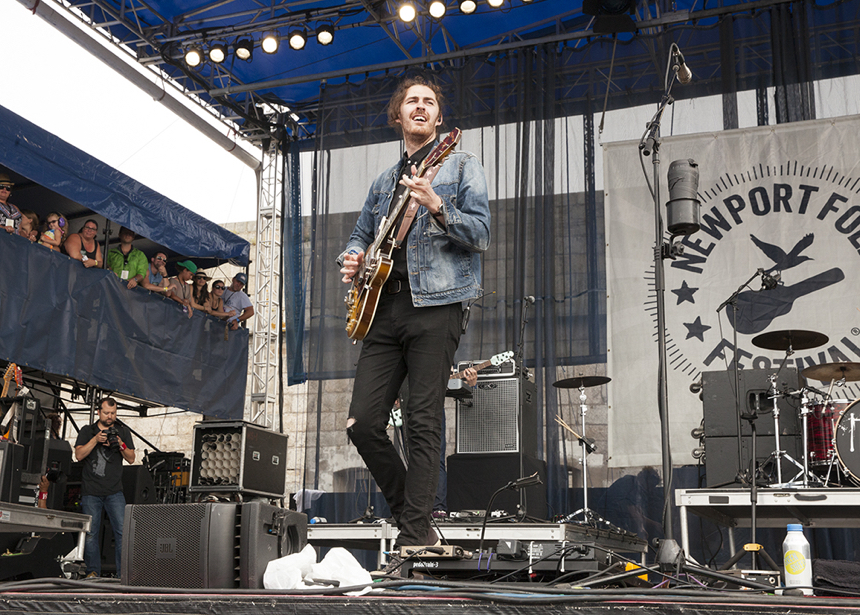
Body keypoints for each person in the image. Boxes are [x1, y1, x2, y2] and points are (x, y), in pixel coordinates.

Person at [337, 76, 490, 574]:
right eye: (411, 102)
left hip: (438, 305)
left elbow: (482, 233)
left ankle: (412, 535)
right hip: (384, 307)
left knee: (424, 420)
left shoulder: (461, 164)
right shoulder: (384, 181)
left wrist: (438, 205)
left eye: (429, 102)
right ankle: (416, 518)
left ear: (438, 118)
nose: (420, 107)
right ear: (398, 116)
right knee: (361, 422)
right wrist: (353, 257)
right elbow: (360, 235)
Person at [74, 398, 135, 578]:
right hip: (91, 491)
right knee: (91, 534)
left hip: (115, 491)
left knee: (123, 533)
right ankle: (93, 572)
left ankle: (122, 575)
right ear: (99, 412)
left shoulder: (122, 431)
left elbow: (131, 458)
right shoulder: (88, 431)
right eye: (107, 413)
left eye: (113, 413)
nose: (110, 417)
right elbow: (78, 455)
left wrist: (119, 443)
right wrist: (95, 439)